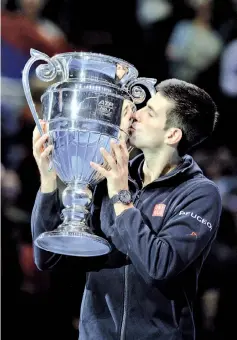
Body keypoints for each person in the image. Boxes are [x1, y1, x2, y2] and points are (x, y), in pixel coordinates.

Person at [31, 78, 222, 339]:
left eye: (150, 112)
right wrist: (48, 179)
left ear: (172, 134)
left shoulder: (200, 193)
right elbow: (49, 258)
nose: (135, 113)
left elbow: (160, 264)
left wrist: (121, 197)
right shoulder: (111, 175)